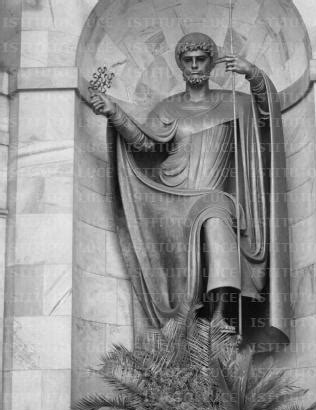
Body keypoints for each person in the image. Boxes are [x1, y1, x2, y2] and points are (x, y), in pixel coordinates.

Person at [90, 32, 290, 346]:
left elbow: (267, 115)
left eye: (201, 59)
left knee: (215, 217)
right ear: (181, 66)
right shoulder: (167, 108)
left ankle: (219, 318)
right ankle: (188, 319)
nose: (195, 65)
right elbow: (143, 143)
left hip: (213, 196)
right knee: (204, 221)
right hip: (171, 198)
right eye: (188, 60)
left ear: (212, 63)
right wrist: (114, 112)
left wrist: (253, 74)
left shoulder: (235, 102)